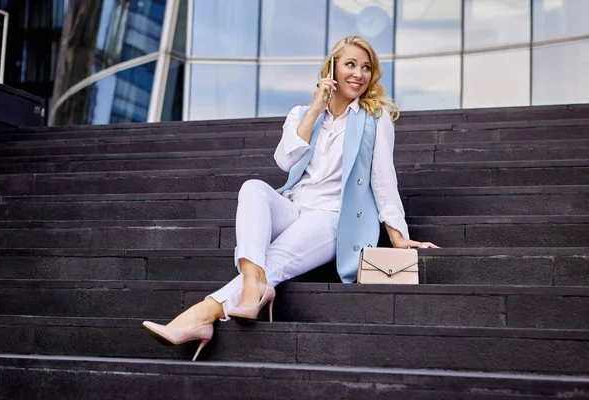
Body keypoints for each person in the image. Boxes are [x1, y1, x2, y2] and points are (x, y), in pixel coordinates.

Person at [142, 36, 439, 361]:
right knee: (252, 188)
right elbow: (283, 161)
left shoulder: (375, 117)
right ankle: (254, 285)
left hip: (333, 218)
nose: (359, 74)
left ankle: (201, 315)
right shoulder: (301, 113)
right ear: (332, 70)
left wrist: (398, 236)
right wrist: (314, 109)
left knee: (276, 260)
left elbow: (383, 179)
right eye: (350, 64)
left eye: (366, 68)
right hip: (294, 206)